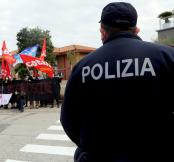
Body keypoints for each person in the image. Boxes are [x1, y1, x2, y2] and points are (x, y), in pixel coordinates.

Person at [61, 2, 174, 162]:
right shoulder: (167, 56)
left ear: (102, 31)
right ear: (136, 29)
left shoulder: (82, 67)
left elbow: (68, 120)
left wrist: (89, 146)